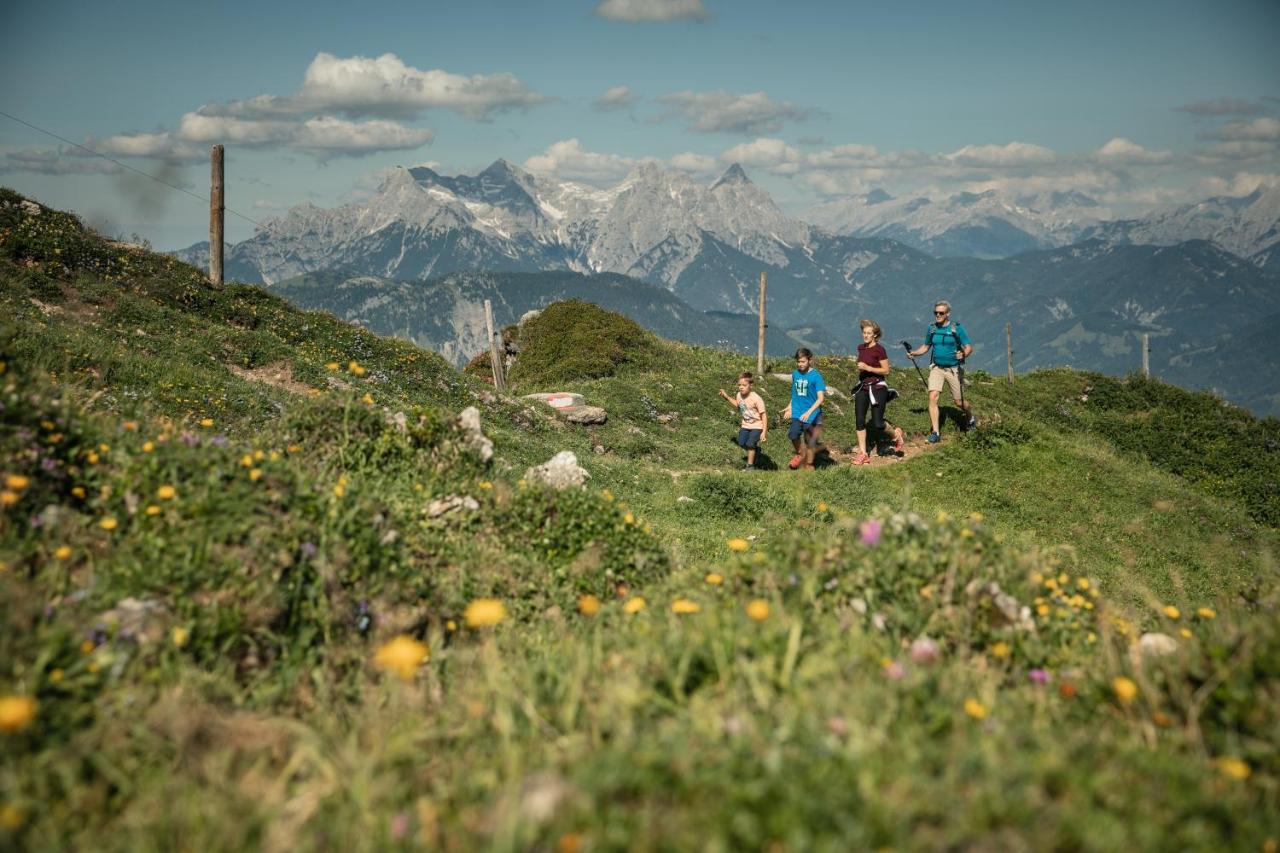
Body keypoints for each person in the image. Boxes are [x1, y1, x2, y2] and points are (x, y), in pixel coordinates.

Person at [907, 300, 974, 443]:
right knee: (932, 396)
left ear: (948, 314)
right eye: (935, 312)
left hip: (953, 369)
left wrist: (963, 354)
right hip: (937, 368)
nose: (937, 315)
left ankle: (970, 416)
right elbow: (926, 346)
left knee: (958, 402)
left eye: (941, 313)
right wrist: (914, 353)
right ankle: (935, 433)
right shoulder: (932, 329)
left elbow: (968, 347)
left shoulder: (957, 329)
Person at [851, 319, 905, 465]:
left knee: (878, 423)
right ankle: (863, 454)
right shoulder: (861, 348)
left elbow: (886, 370)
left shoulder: (880, 349)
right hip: (863, 386)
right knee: (859, 419)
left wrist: (868, 368)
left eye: (869, 333)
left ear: (875, 335)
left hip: (878, 387)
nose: (866, 335)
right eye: (864, 333)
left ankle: (896, 435)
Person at [780, 348, 826, 470]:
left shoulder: (816, 376)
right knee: (793, 434)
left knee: (809, 441)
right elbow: (795, 393)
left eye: (803, 361)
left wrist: (809, 412)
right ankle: (800, 454)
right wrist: (790, 407)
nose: (800, 364)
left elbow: (821, 399)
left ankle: (809, 465)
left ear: (809, 360)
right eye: (798, 361)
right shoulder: (795, 374)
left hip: (812, 414)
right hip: (797, 412)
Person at [718, 372, 767, 470]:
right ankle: (755, 451)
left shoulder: (756, 398)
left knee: (750, 444)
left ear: (751, 385)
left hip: (757, 426)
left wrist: (764, 432)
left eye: (744, 385)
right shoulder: (739, 395)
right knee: (741, 442)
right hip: (745, 425)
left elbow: (764, 415)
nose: (741, 387)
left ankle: (750, 466)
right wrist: (726, 397)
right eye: (739, 385)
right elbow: (738, 405)